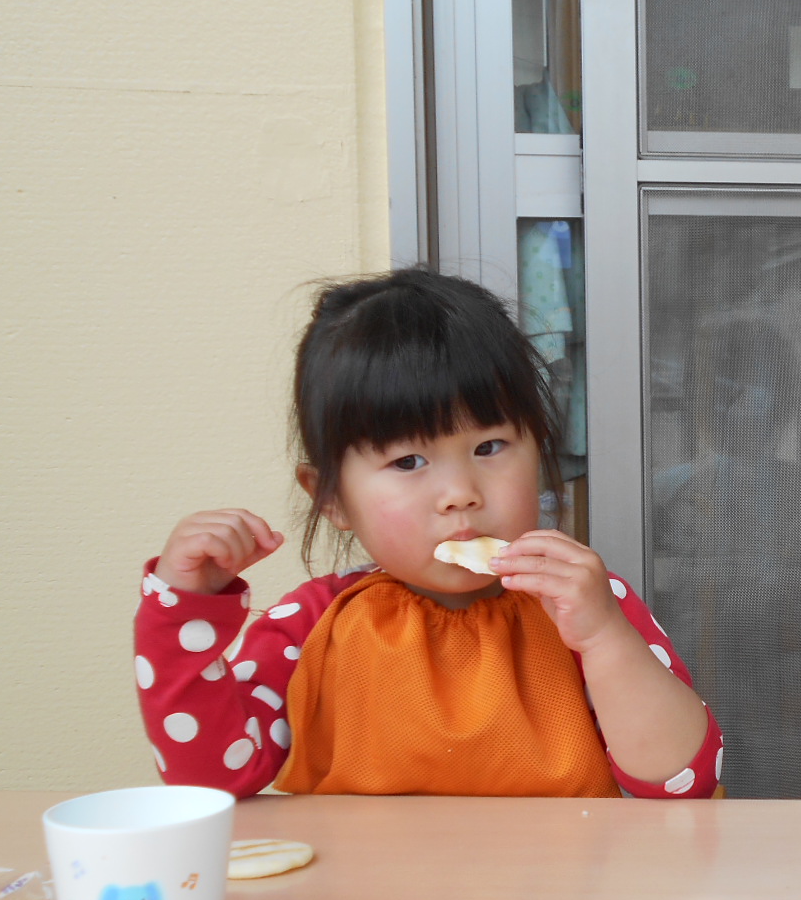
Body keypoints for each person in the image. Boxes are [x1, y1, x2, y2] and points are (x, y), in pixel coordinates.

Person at [135, 268, 721, 799]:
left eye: (489, 447)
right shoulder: (313, 626)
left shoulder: (584, 603)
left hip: (567, 882)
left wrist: (603, 637)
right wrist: (182, 608)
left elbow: (680, 781)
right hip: (364, 886)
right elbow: (212, 780)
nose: (460, 492)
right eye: (408, 461)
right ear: (331, 498)